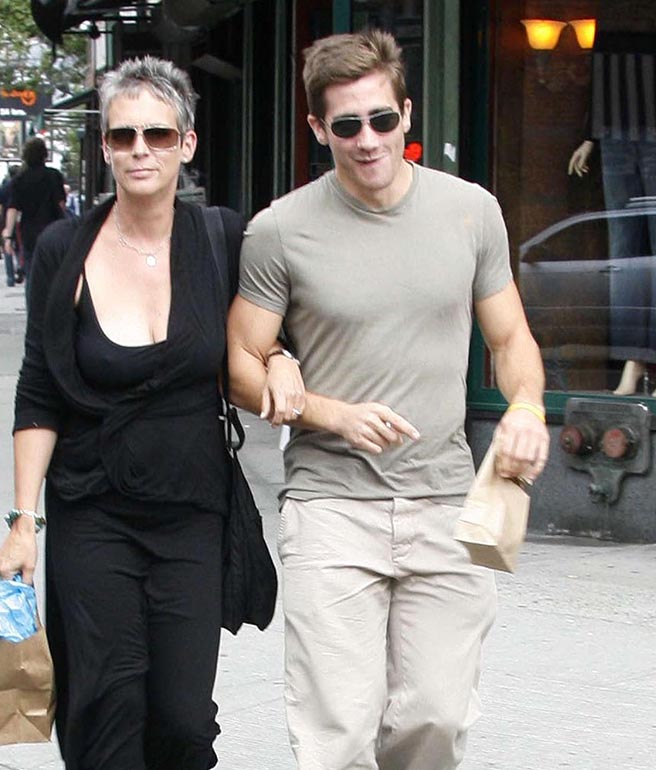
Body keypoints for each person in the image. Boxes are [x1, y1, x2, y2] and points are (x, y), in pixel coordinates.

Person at [227, 29, 551, 770]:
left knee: (434, 721)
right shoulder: (280, 230)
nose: (367, 140)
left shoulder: (470, 212)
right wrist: (325, 409)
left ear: (407, 115)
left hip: (445, 500)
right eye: (346, 125)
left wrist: (527, 407)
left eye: (382, 120)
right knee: (335, 733)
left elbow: (510, 342)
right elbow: (240, 364)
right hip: (331, 506)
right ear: (318, 129)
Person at [0, 56, 270, 770]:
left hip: (190, 511)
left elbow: (260, 340)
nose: (139, 150)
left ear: (187, 143)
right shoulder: (63, 250)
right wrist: (24, 524)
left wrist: (288, 361)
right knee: (104, 709)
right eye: (122, 137)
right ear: (105, 147)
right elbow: (38, 391)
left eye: (156, 134)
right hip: (94, 512)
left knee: (181, 720)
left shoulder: (219, 239)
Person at [567, 14, 656, 395]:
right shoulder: (606, 20)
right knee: (623, 259)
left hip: (647, 135)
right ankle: (633, 362)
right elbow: (600, 78)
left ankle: (640, 363)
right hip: (615, 136)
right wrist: (591, 136)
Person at [2, 136, 66, 300]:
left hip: (29, 231)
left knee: (31, 270)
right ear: (44, 155)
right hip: (54, 228)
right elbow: (61, 204)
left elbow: (13, 208)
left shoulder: (19, 180)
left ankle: (34, 310)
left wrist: (8, 235)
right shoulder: (54, 176)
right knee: (56, 270)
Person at [0, 166, 21, 286]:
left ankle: (10, 278)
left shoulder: (2, 189)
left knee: (8, 249)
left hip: (6, 221)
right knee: (21, 248)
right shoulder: (22, 186)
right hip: (21, 222)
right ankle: (21, 269)